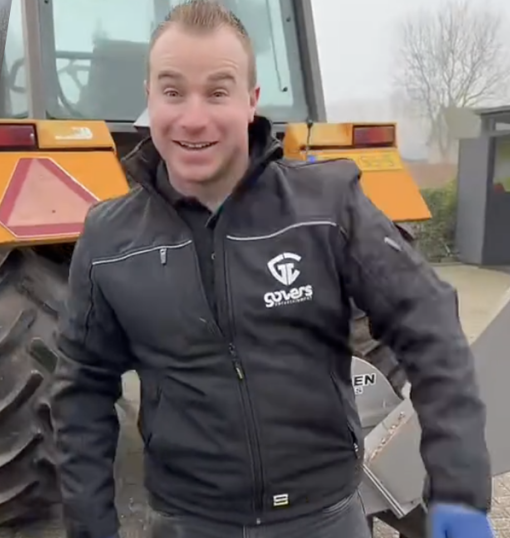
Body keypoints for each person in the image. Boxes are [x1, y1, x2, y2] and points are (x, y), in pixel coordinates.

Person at [50, 2, 493, 538]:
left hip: (326, 519)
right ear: (149, 97)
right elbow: (82, 389)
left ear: (251, 100)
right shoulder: (109, 240)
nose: (194, 118)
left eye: (218, 92)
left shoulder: (328, 208)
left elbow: (430, 327)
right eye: (173, 92)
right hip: (189, 523)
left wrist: (459, 489)